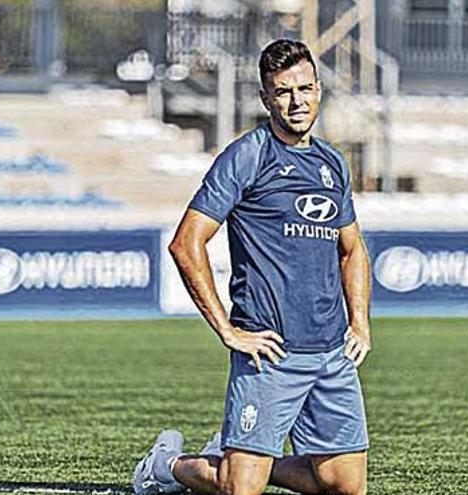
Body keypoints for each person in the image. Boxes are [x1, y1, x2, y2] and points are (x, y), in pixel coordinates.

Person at [134, 38, 372, 495]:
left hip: (330, 353)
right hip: (270, 353)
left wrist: (359, 322)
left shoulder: (331, 164)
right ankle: (167, 466)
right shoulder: (249, 155)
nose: (296, 101)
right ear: (266, 99)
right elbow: (187, 243)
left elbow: (352, 248)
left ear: (320, 89)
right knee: (239, 490)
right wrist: (228, 330)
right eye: (283, 92)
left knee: (344, 486)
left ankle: (236, 454)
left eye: (305, 88)